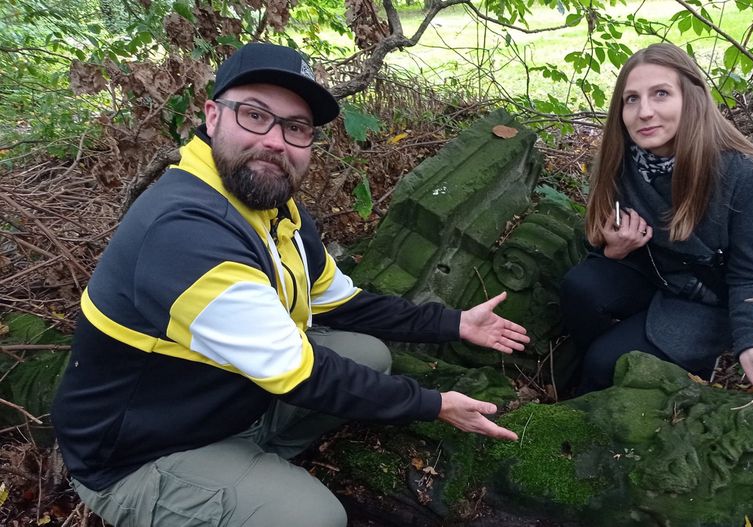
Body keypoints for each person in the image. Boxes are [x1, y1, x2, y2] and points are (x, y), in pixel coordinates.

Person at [52, 42, 530, 527]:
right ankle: (231, 490)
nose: (276, 142)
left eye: (296, 127)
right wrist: (435, 405)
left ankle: (253, 467)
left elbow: (344, 305)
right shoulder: (183, 231)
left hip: (217, 403)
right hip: (138, 453)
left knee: (368, 354)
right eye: (255, 115)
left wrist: (454, 323)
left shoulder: (275, 212)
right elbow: (301, 372)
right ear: (213, 117)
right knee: (315, 517)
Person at [559, 43, 753, 412]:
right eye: (632, 99)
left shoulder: (744, 174)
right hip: (659, 275)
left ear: (692, 98)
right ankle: (591, 377)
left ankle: (598, 396)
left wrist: (751, 344)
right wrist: (614, 250)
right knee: (580, 288)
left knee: (606, 362)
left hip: (713, 296)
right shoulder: (621, 159)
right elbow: (599, 234)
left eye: (661, 94)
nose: (644, 112)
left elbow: (750, 274)